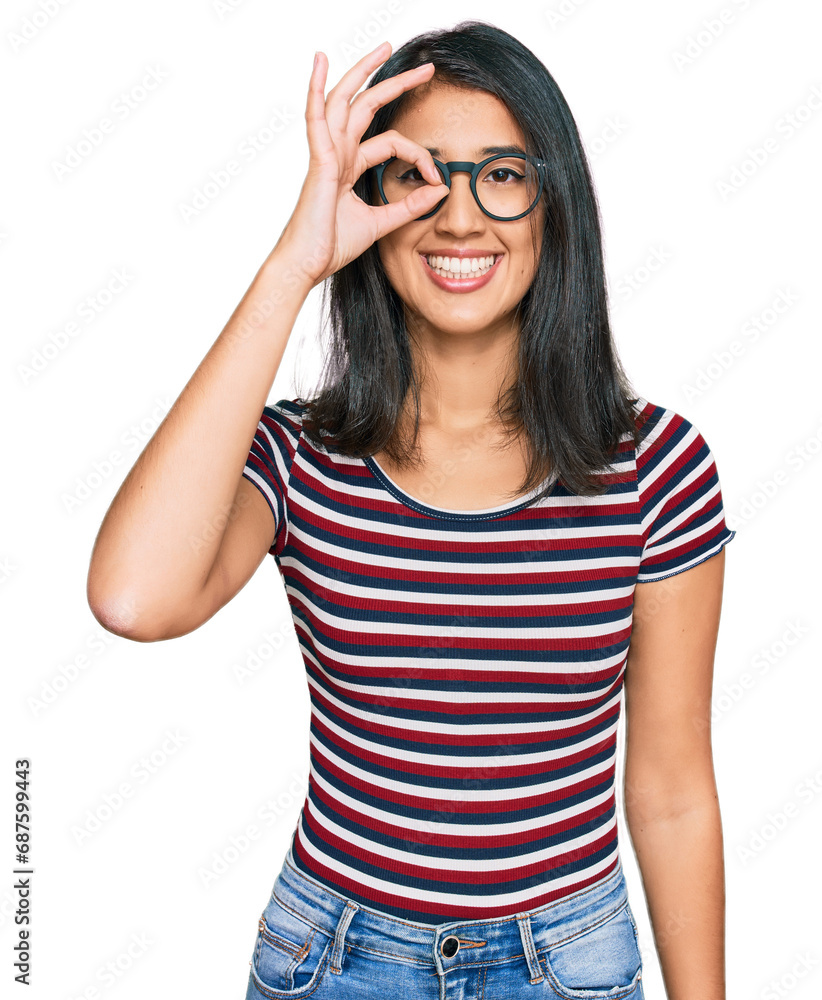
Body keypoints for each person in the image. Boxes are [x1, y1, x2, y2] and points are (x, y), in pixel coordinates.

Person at [87, 20, 734, 1000]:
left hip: (569, 967)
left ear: (555, 204)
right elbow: (134, 597)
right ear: (371, 202)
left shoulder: (656, 467)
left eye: (502, 175)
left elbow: (674, 788)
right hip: (336, 962)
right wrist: (294, 262)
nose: (460, 218)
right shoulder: (301, 457)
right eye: (420, 176)